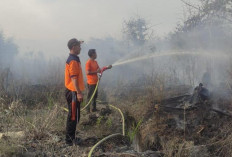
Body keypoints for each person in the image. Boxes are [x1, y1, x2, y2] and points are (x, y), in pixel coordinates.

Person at [64, 38, 85, 146]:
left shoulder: (74, 58)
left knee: (75, 116)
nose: (80, 48)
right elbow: (74, 78)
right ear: (73, 47)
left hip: (74, 91)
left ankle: (71, 137)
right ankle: (70, 140)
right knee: (73, 116)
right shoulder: (73, 60)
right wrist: (78, 92)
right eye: (79, 46)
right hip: (73, 92)